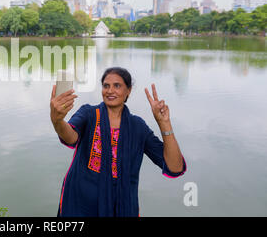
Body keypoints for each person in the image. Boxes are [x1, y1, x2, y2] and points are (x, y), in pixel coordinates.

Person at [50, 67, 186, 217]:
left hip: (122, 208)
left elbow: (175, 166)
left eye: (117, 86)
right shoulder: (89, 114)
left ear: (129, 90)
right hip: (80, 206)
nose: (110, 90)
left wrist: (164, 123)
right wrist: (57, 120)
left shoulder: (137, 127)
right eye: (106, 86)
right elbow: (70, 137)